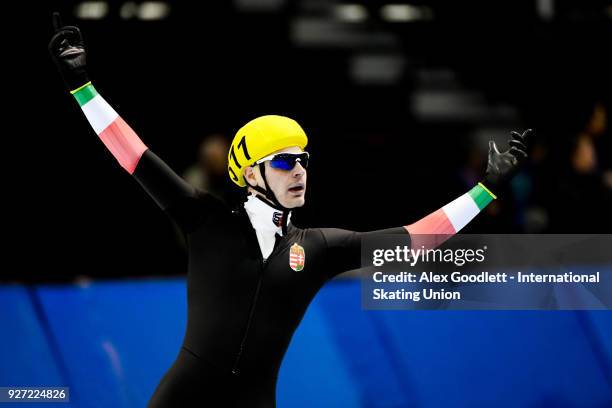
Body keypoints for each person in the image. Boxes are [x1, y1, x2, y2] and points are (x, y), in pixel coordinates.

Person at [49, 13, 530, 408]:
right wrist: (82, 86)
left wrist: (485, 191)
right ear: (251, 174)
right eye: (284, 161)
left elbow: (413, 240)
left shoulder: (319, 248)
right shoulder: (206, 220)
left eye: (303, 160)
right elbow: (135, 156)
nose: (299, 170)